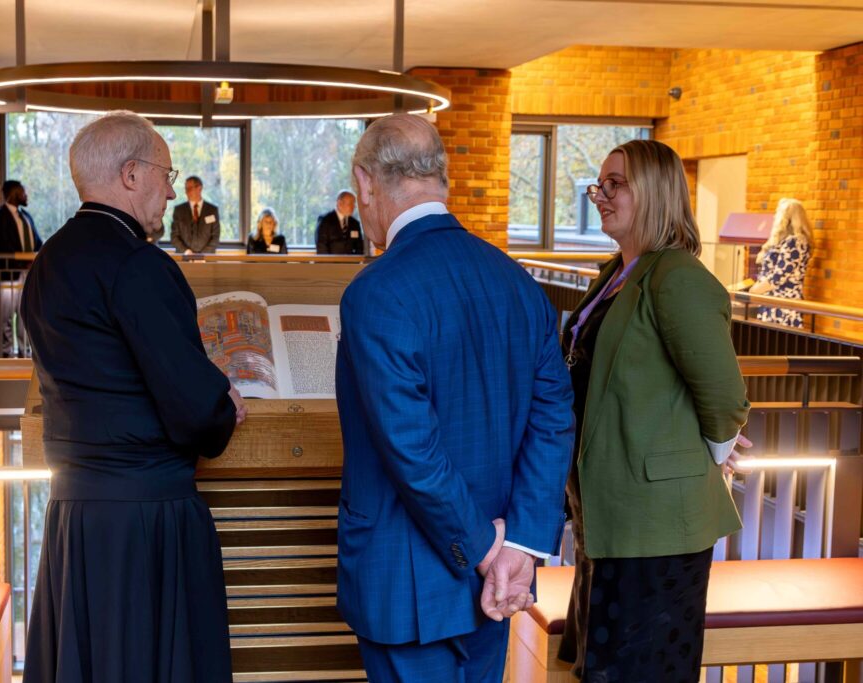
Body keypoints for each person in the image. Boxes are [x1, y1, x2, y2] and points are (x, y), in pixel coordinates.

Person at [335, 114, 574, 682]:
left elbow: (411, 449)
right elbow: (554, 419)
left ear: (365, 184)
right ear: (440, 177)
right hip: (499, 574)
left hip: (408, 582)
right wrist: (520, 545)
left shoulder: (376, 292)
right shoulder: (518, 284)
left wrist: (487, 551)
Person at [20, 110, 246, 683]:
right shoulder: (140, 265)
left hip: (74, 516)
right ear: (130, 175)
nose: (172, 191)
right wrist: (225, 403)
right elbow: (196, 413)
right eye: (167, 175)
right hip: (148, 518)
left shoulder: (44, 265)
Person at [558, 139, 751, 682]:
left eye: (615, 184)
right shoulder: (616, 274)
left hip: (657, 525)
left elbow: (724, 399)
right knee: (602, 670)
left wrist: (705, 457)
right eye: (600, 184)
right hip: (608, 515)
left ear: (658, 192)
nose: (600, 195)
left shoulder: (678, 278)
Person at [0, 180, 43, 357]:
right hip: (8, 274)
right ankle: (6, 353)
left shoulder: (26, 216)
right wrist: (22, 262)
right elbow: (2, 244)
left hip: (27, 275)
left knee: (24, 315)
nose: (26, 195)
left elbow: (37, 241)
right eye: (23, 192)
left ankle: (24, 352)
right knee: (5, 316)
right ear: (13, 193)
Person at [751, 198, 812, 327]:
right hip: (772, 303)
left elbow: (778, 277)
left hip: (783, 307)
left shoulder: (795, 242)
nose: (774, 217)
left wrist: (753, 291)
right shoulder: (784, 241)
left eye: (778, 213)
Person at [170, 175, 221, 254]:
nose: (186, 192)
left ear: (199, 188)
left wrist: (202, 256)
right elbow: (174, 236)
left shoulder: (212, 210)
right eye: (186, 189)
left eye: (189, 188)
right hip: (184, 258)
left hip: (207, 260)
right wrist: (186, 252)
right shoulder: (179, 210)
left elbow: (215, 237)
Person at [315, 190, 364, 254]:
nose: (354, 207)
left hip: (351, 263)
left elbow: (359, 247)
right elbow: (321, 246)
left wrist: (355, 262)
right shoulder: (325, 220)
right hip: (330, 262)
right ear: (339, 203)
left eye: (354, 204)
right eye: (350, 204)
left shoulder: (355, 223)